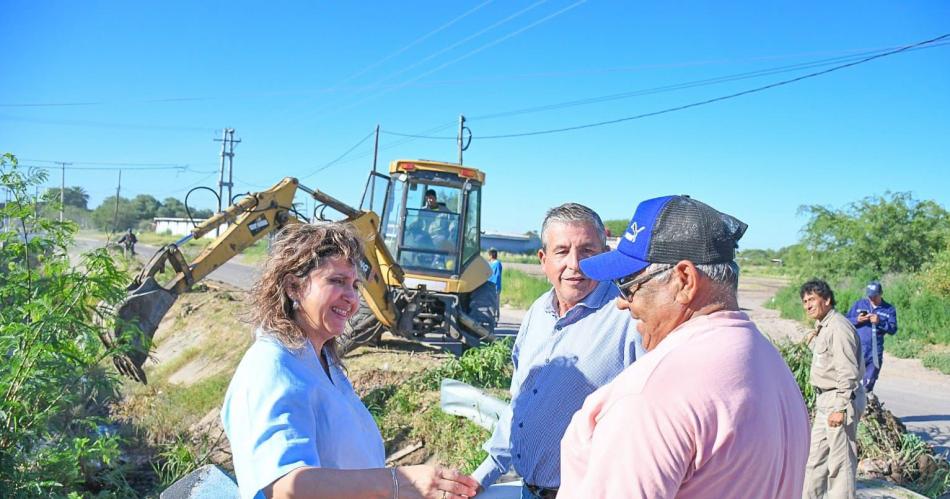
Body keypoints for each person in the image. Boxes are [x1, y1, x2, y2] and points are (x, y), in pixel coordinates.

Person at [559, 195, 809, 499]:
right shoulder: (770, 364)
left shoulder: (651, 395)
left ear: (684, 280)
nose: (622, 302)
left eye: (628, 284)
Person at [221, 222, 478, 499]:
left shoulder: (321, 360)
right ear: (294, 287)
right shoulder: (271, 366)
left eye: (355, 285)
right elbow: (285, 486)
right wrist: (397, 481)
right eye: (336, 281)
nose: (352, 298)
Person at [472, 203, 642, 498]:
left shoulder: (628, 318)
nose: (574, 264)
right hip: (530, 491)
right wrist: (483, 474)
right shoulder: (538, 311)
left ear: (605, 256)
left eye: (588, 251)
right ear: (544, 259)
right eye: (562, 251)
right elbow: (519, 403)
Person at [801, 279, 866, 499]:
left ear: (827, 300)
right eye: (804, 301)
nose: (807, 305)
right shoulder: (824, 326)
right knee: (815, 462)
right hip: (825, 401)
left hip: (839, 400)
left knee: (841, 464)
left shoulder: (838, 327)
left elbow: (847, 371)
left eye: (812, 300)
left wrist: (840, 407)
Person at [846, 280, 898, 391]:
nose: (871, 298)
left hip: (874, 351)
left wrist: (880, 322)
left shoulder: (889, 309)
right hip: (857, 348)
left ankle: (866, 402)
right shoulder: (859, 304)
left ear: (880, 294)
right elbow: (845, 321)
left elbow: (893, 329)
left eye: (874, 296)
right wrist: (857, 319)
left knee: (868, 382)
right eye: (869, 296)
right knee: (850, 379)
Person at [487, 249, 502, 320]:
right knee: (491, 303)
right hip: (490, 286)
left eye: (489, 255)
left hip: (495, 286)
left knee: (495, 303)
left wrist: (495, 286)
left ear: (491, 255)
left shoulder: (497, 264)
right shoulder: (491, 264)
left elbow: (497, 276)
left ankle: (496, 318)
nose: (488, 257)